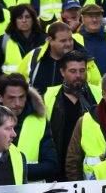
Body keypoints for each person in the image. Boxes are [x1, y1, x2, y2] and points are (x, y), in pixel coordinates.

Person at [43, 50, 102, 184]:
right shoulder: (49, 96)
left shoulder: (98, 94)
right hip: (59, 167)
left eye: (82, 71)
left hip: (91, 167)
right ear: (63, 72)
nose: (78, 75)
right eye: (73, 71)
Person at [0, 4, 46, 78]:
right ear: (14, 21)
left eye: (27, 17)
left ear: (33, 20)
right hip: (11, 86)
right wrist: (3, 81)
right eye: (20, 18)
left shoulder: (44, 40)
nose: (24, 20)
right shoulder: (4, 40)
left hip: (37, 86)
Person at [74, 4, 106, 75]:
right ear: (83, 19)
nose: (94, 20)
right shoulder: (74, 39)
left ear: (102, 18)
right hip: (86, 85)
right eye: (90, 17)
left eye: (97, 16)